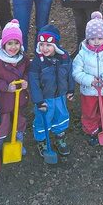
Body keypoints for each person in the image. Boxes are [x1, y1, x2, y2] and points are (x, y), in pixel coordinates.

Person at [72, 12, 103, 146]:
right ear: (87, 38)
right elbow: (76, 72)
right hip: (89, 90)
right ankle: (91, 130)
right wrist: (90, 80)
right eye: (92, 38)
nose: (96, 41)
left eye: (99, 38)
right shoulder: (82, 54)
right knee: (89, 111)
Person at [28, 25, 74, 159]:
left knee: (61, 116)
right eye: (41, 44)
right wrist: (38, 101)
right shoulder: (37, 63)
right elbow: (34, 83)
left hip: (60, 96)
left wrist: (71, 89)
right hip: (45, 99)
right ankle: (42, 140)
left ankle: (60, 137)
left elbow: (69, 74)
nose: (44, 48)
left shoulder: (64, 58)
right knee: (43, 120)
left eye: (48, 45)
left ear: (56, 45)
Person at [0, 20, 29, 155]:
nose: (13, 47)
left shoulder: (23, 58)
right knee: (2, 125)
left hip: (19, 98)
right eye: (10, 43)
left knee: (19, 121)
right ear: (4, 44)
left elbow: (28, 71)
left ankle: (18, 143)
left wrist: (26, 81)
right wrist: (5, 86)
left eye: (16, 43)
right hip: (3, 100)